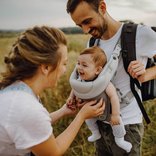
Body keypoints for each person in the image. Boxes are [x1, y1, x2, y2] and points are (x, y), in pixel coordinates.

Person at [66, 0, 156, 155]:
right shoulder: (93, 42)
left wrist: (145, 74)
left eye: (87, 21)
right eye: (80, 25)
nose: (85, 30)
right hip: (100, 123)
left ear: (102, 7)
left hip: (127, 126)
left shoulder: (140, 34)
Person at [0, 26, 105, 156]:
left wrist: (63, 111)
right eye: (64, 64)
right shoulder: (26, 107)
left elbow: (32, 125)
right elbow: (52, 152)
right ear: (46, 67)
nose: (65, 70)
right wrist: (81, 116)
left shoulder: (18, 91)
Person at [67, 46, 132, 153]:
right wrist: (71, 97)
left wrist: (115, 114)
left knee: (117, 122)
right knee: (88, 120)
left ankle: (120, 140)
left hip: (108, 113)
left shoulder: (104, 83)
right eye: (78, 63)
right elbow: (75, 88)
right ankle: (95, 133)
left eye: (84, 65)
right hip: (91, 113)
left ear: (98, 70)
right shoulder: (80, 80)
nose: (79, 68)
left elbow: (114, 97)